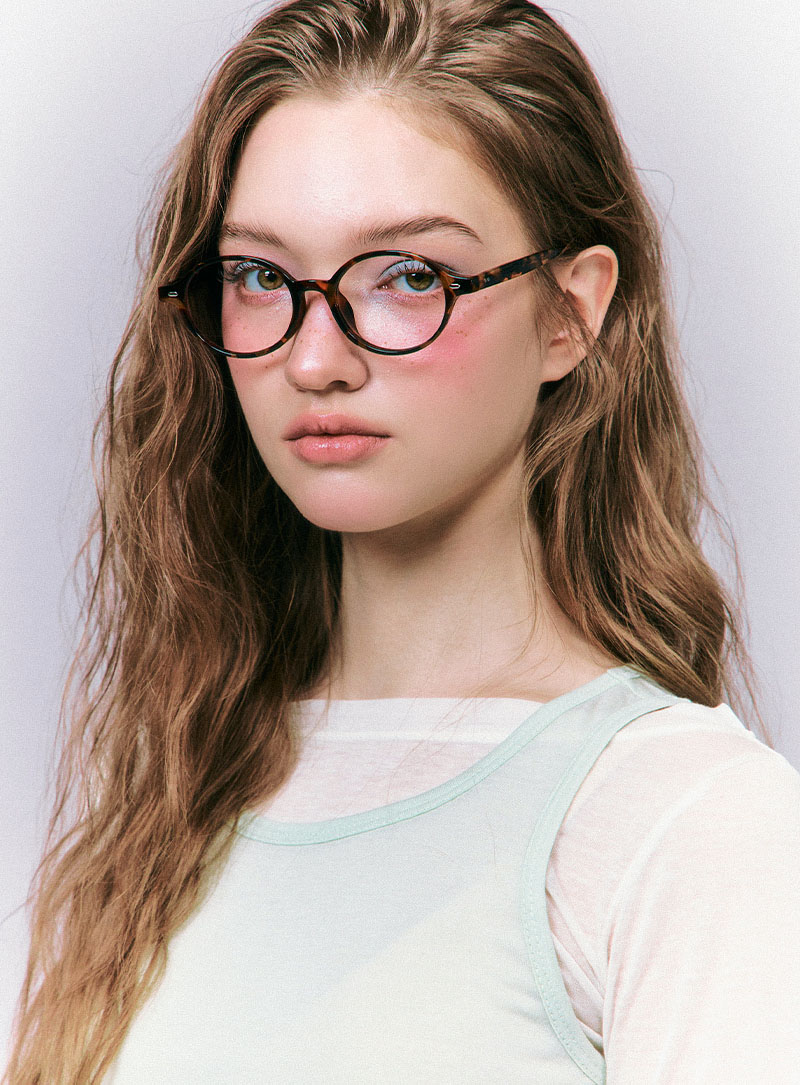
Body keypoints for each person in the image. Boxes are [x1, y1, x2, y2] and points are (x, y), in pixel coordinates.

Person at [6, 0, 800, 1081]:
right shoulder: (169, 797)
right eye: (260, 278)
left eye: (409, 276)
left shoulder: (684, 821)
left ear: (571, 313)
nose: (314, 359)